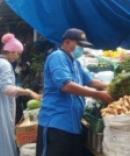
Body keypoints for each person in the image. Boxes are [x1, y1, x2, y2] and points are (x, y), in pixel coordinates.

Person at [36, 28, 114, 156]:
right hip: (56, 124)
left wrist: (113, 87)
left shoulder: (76, 63)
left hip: (72, 126)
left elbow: (92, 82)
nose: (82, 49)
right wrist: (98, 94)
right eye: (80, 45)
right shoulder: (58, 57)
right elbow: (66, 86)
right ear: (67, 42)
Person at [0, 33, 42, 156]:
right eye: (17, 54)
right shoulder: (6, 65)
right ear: (11, 51)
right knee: (4, 139)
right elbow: (6, 88)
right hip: (2, 108)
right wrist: (28, 91)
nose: (17, 57)